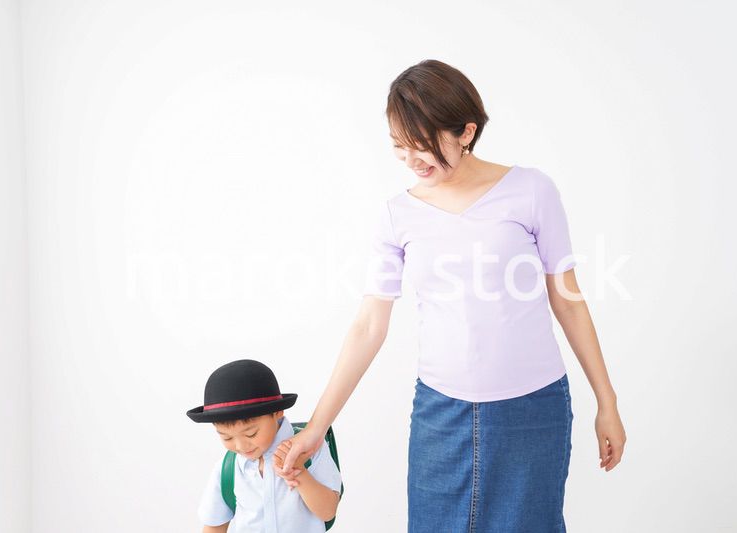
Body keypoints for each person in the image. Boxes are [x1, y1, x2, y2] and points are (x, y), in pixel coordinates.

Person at [274, 59, 627, 532]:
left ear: (466, 130)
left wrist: (607, 402)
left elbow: (568, 301)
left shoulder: (532, 191)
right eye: (401, 149)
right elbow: (368, 326)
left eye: (424, 146)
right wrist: (315, 428)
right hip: (441, 412)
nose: (413, 161)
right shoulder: (398, 215)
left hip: (533, 409)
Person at [187, 359, 342, 533]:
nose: (241, 446)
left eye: (251, 434)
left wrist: (299, 472)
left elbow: (328, 512)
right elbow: (214, 526)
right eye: (227, 437)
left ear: (278, 412)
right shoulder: (227, 469)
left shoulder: (310, 450)